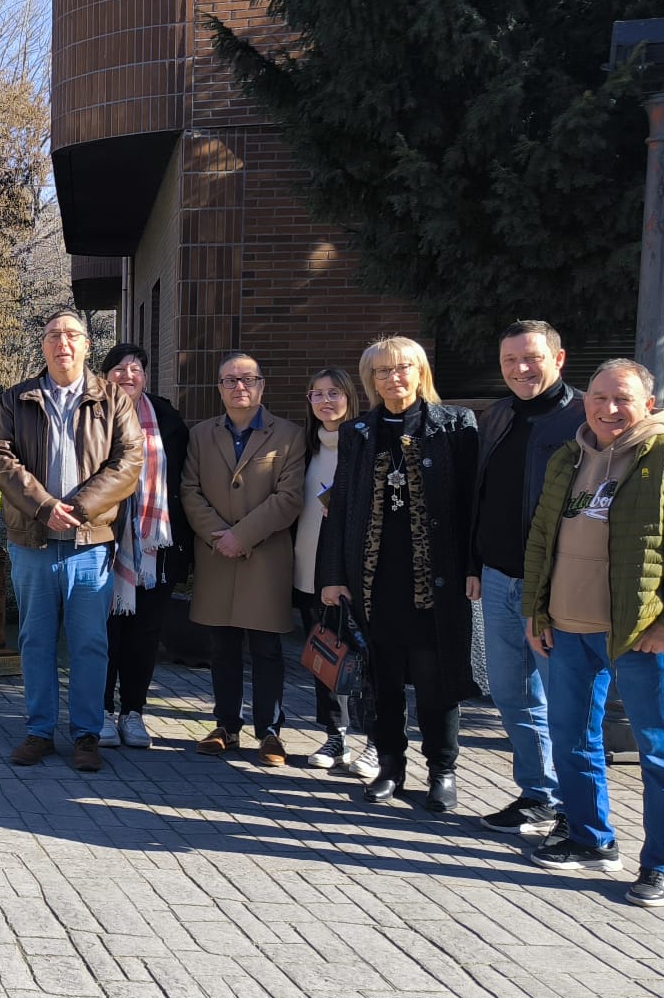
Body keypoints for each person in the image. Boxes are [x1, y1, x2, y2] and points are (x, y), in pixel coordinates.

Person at [522, 360, 664, 906]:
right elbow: (542, 540)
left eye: (622, 399)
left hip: (639, 636)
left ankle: (661, 864)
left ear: (648, 403)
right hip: (566, 631)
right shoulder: (569, 458)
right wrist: (535, 612)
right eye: (598, 397)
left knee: (659, 753)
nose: (608, 409)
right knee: (571, 740)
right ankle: (590, 838)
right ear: (584, 400)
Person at [319, 337, 478, 812]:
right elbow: (341, 506)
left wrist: (473, 567)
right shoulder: (359, 433)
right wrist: (332, 573)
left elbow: (471, 505)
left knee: (435, 679)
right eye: (383, 372)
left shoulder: (455, 426)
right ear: (370, 380)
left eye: (403, 368)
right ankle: (390, 766)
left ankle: (442, 771)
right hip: (374, 580)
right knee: (381, 680)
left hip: (434, 579)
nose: (394, 378)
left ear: (421, 371)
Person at [0, 310, 144, 772]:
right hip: (33, 539)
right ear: (43, 346)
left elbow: (129, 461)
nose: (63, 344)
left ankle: (86, 735)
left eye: (72, 335)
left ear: (87, 345)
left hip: (89, 540)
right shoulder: (17, 399)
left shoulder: (113, 399)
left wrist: (77, 509)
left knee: (89, 643)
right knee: (35, 639)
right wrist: (42, 505)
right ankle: (39, 732)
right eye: (54, 336)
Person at [471, 320, 585, 836]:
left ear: (558, 360)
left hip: (554, 585)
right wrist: (473, 564)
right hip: (497, 578)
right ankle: (537, 793)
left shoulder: (585, 418)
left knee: (563, 699)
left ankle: (575, 808)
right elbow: (480, 497)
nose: (520, 369)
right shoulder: (496, 417)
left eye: (531, 358)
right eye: (509, 360)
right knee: (510, 694)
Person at [180, 353, 306, 763]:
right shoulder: (200, 435)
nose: (239, 387)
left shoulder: (289, 435)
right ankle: (226, 726)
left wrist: (242, 535)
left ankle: (269, 732)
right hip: (218, 554)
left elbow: (289, 498)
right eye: (230, 381)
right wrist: (221, 536)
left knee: (267, 649)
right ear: (219, 388)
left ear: (262, 386)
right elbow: (189, 491)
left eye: (247, 379)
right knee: (223, 647)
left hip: (263, 558)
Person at [96, 342, 190, 749]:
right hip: (102, 542)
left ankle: (133, 712)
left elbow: (186, 483)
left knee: (145, 632)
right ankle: (99, 710)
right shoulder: (91, 415)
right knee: (104, 631)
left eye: (136, 368)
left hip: (155, 547)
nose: (128, 375)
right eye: (119, 368)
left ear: (146, 377)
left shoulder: (167, 419)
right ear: (105, 375)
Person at [293, 366, 357, 772]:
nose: (326, 401)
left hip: (350, 573)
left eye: (334, 392)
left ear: (350, 396)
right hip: (307, 567)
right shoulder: (306, 448)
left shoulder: (362, 445)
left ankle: (373, 741)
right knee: (324, 656)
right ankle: (335, 737)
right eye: (317, 394)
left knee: (361, 659)